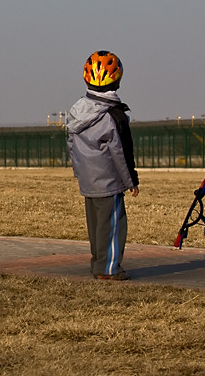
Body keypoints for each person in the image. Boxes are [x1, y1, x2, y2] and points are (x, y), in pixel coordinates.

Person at [66, 50, 139, 280]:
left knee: (97, 226)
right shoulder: (113, 115)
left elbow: (71, 144)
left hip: (88, 178)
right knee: (113, 226)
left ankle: (98, 262)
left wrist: (78, 172)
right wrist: (131, 181)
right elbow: (120, 152)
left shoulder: (76, 110)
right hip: (108, 180)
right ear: (117, 79)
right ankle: (108, 269)